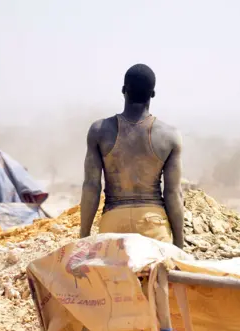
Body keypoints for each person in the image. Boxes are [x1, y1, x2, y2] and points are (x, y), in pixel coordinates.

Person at [79, 64, 184, 248]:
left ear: (123, 90)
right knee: (155, 276)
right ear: (152, 94)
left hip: (113, 223)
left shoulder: (99, 131)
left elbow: (91, 186)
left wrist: (84, 236)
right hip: (153, 225)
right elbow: (173, 192)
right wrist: (179, 244)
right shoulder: (170, 136)